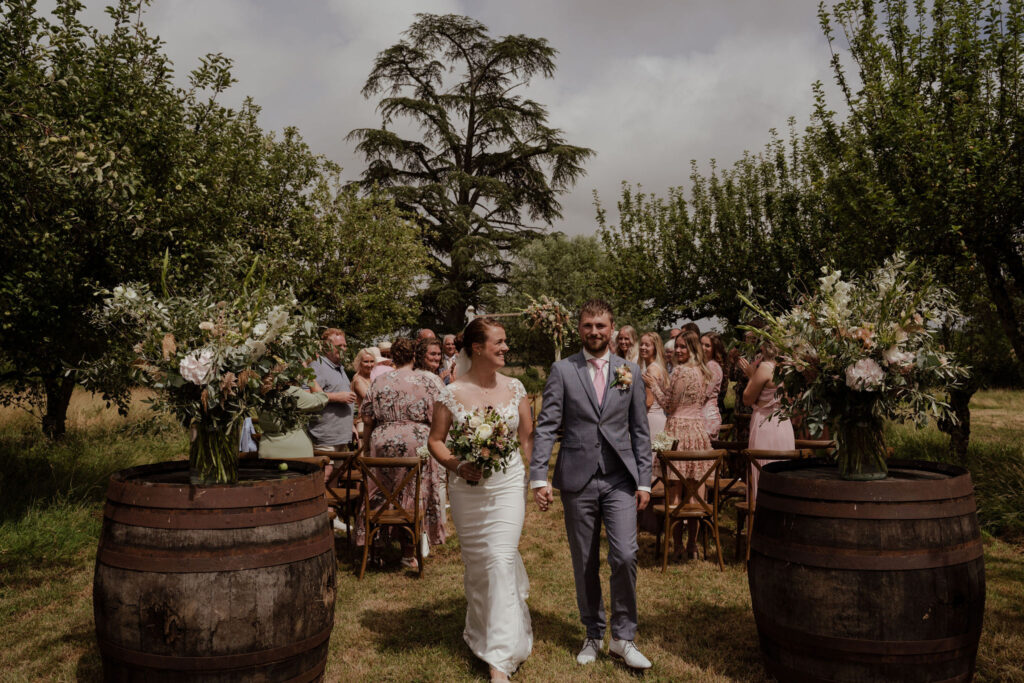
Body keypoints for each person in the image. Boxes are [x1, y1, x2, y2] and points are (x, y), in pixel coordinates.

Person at [531, 299, 653, 671]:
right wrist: (538, 475)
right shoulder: (562, 370)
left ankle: (624, 637)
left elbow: (640, 431)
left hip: (619, 478)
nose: (595, 332)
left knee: (626, 555)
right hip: (577, 478)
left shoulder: (629, 371)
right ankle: (592, 632)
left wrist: (645, 482)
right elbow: (547, 425)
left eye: (601, 326)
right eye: (588, 326)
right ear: (579, 329)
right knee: (584, 560)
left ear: (612, 328)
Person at [428, 318, 534, 682]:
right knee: (479, 567)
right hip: (468, 491)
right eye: (499, 342)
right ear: (477, 348)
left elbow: (527, 439)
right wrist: (457, 465)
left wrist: (539, 479)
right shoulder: (451, 392)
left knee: (500, 559)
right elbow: (436, 441)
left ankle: (499, 660)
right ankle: (482, 633)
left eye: (506, 342)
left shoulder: (516, 387)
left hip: (507, 486)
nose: (506, 348)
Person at [357, 337, 445, 569]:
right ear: (414, 356)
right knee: (415, 492)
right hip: (418, 443)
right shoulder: (427, 381)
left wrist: (366, 448)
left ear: (392, 358)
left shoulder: (379, 381)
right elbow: (440, 415)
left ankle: (375, 551)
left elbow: (367, 418)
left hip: (381, 440)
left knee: (380, 492)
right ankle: (408, 552)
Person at [645, 330, 713, 560]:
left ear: (692, 349)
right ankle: (692, 546)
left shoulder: (680, 371)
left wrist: (653, 385)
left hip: (675, 429)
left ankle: (677, 546)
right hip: (698, 430)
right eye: (678, 346)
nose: (678, 351)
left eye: (683, 347)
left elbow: (669, 405)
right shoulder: (704, 371)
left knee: (674, 489)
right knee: (694, 489)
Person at [740, 339, 795, 500]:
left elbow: (747, 399)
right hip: (784, 424)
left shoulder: (765, 367)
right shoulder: (788, 367)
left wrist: (751, 375)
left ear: (764, 346)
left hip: (766, 423)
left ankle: (759, 517)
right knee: (782, 474)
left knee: (762, 471)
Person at [413, 336, 448, 554]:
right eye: (432, 354)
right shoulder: (430, 379)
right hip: (431, 434)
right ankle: (434, 529)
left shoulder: (421, 376)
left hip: (426, 435)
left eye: (438, 354)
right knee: (436, 482)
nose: (436, 358)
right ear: (420, 356)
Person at [307, 329, 357, 450]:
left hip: (341, 437)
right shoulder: (317, 366)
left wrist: (351, 426)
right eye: (339, 346)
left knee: (339, 469)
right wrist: (336, 397)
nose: (344, 349)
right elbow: (307, 395)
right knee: (326, 469)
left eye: (345, 346)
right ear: (326, 347)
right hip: (326, 437)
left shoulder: (340, 368)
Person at [258, 380, 328, 459]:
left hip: (268, 451)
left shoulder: (260, 394)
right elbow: (322, 399)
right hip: (296, 453)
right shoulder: (292, 393)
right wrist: (310, 377)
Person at [637, 332, 668, 438]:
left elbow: (649, 401)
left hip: (651, 418)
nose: (643, 347)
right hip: (658, 416)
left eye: (647, 345)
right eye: (641, 344)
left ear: (655, 348)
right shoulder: (657, 366)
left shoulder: (651, 370)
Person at [351, 347, 378, 442]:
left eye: (372, 361)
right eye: (366, 362)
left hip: (371, 422)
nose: (369, 365)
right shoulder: (358, 380)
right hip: (363, 424)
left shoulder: (370, 378)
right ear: (359, 363)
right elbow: (372, 399)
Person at [700, 333, 725, 438]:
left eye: (707, 345)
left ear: (714, 349)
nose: (703, 348)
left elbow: (705, 394)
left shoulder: (712, 366)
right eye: (701, 344)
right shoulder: (705, 364)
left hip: (707, 415)